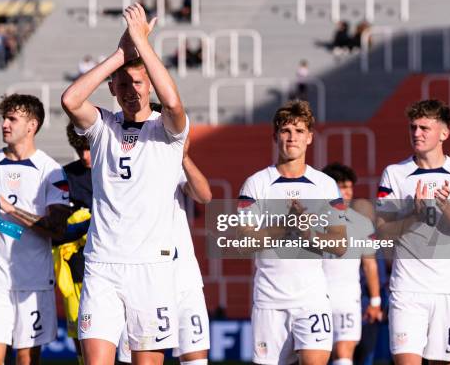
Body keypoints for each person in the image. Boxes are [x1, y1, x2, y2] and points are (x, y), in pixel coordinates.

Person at [61, 3, 188, 365]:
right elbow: (70, 99)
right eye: (123, 84)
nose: (132, 89)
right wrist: (121, 54)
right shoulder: (103, 127)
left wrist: (142, 44)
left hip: (151, 267)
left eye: (138, 82)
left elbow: (174, 102)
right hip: (102, 265)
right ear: (113, 90)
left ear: (149, 86)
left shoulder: (167, 131)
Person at [237, 100, 348, 365]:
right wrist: (286, 225)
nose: (292, 137)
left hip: (311, 300)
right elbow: (243, 242)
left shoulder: (325, 185)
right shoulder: (256, 183)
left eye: (299, 131)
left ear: (310, 137)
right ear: (275, 136)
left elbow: (341, 243)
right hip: (269, 301)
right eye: (286, 130)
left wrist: (309, 234)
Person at [0, 94, 70, 365]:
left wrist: (7, 209)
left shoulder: (51, 171)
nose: (4, 124)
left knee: (27, 359)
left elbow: (56, 228)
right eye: (4, 118)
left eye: (12, 119)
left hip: (34, 281)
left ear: (32, 125)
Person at [118, 122, 213, 365]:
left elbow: (204, 196)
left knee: (196, 360)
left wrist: (182, 156)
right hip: (142, 279)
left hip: (183, 278)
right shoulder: (125, 167)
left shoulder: (174, 165)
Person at [376, 99, 450, 365]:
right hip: (407, 290)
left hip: (449, 291)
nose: (416, 133)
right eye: (413, 127)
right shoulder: (395, 174)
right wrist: (413, 214)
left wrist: (446, 207)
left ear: (444, 133)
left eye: (424, 128)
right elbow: (383, 232)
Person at [321, 163, 383, 365]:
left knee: (344, 352)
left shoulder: (361, 223)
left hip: (348, 298)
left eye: (349, 187)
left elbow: (369, 264)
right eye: (341, 186)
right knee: (317, 355)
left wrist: (375, 301)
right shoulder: (312, 221)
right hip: (317, 297)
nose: (346, 192)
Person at [52, 121, 93, 365]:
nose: (85, 156)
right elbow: (56, 229)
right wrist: (86, 221)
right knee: (80, 334)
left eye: (89, 148)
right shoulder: (64, 176)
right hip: (76, 267)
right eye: (80, 150)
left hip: (115, 264)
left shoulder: (117, 171)